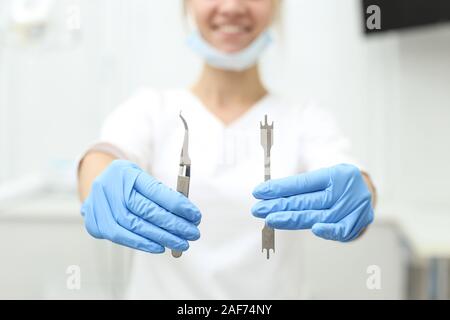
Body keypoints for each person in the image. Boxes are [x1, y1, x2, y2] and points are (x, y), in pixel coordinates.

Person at [77, 0, 376, 299]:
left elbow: (351, 178)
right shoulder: (151, 108)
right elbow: (104, 157)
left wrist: (359, 197)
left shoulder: (305, 117)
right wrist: (98, 183)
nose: (232, 6)